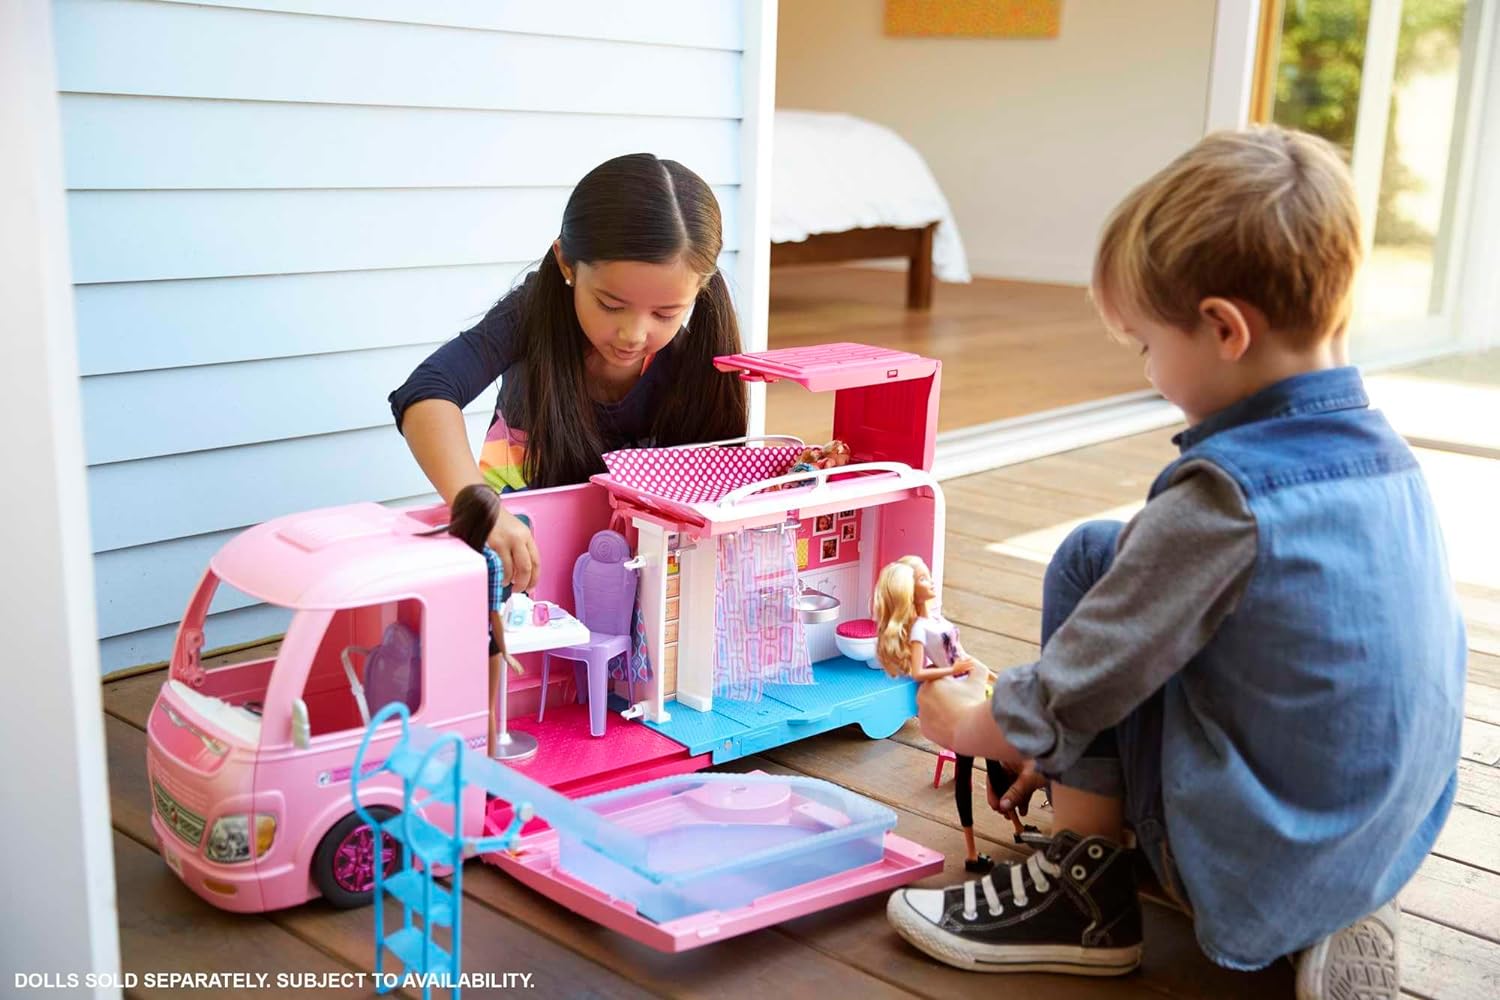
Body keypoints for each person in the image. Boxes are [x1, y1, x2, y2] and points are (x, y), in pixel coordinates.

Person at [885, 126, 1465, 1000]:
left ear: (1225, 329)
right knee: (1113, 565)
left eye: (1144, 346)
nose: (1149, 371)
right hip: (1381, 836)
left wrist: (976, 723)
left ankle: (1084, 896)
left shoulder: (1221, 498)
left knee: (1088, 566)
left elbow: (1082, 681)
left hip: (1254, 855)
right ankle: (1338, 902)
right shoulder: (1390, 459)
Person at [390, 153, 749, 595]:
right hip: (520, 553)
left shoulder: (696, 356)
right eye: (611, 305)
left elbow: (720, 483)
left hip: (644, 570)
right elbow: (426, 392)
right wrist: (477, 508)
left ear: (700, 287)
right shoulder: (531, 316)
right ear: (565, 263)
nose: (633, 334)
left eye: (665, 312)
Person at [872, 557, 1031, 873]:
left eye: (928, 575)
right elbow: (918, 671)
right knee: (967, 769)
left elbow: (960, 652)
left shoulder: (937, 620)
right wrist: (953, 669)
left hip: (969, 684)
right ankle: (972, 852)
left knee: (994, 761)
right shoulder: (919, 628)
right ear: (909, 590)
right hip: (953, 698)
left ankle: (1018, 827)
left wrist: (983, 672)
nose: (929, 581)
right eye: (922, 578)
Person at [428, 483, 523, 758]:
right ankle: (486, 768)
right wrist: (505, 652)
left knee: (460, 706)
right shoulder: (488, 559)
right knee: (486, 708)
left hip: (454, 640)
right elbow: (494, 613)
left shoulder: (449, 550)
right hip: (482, 642)